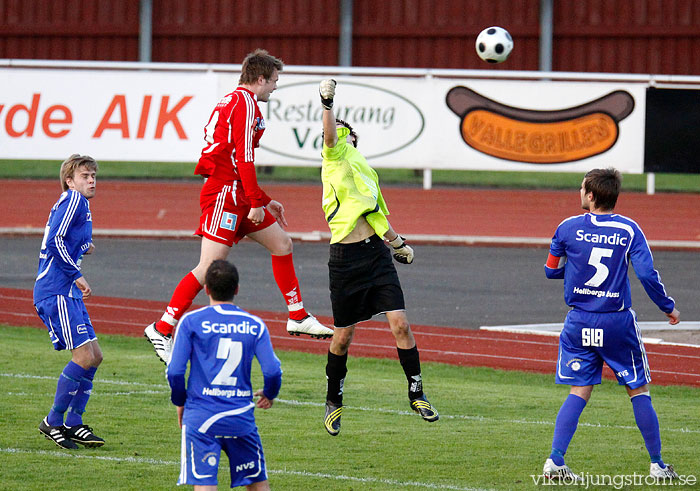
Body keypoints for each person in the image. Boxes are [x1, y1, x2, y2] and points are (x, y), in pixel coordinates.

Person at [145, 48, 333, 364]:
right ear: (259, 79)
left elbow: (235, 158)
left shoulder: (235, 101)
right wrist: (254, 201)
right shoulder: (244, 104)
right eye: (273, 80)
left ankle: (298, 315)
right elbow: (243, 157)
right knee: (208, 269)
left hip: (236, 193)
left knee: (282, 243)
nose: (275, 86)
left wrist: (262, 199)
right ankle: (162, 328)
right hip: (225, 196)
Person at [542, 168, 680, 482]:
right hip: (617, 321)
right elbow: (645, 275)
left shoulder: (566, 228)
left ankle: (555, 460)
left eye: (581, 189)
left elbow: (551, 271)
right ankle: (658, 465)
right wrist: (667, 306)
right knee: (637, 389)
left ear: (591, 195)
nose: (579, 193)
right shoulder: (629, 230)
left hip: (578, 322)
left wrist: (576, 270)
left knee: (580, 389)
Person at [317, 79, 438, 436]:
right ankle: (333, 399)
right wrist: (327, 104)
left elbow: (373, 213)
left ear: (354, 137)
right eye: (333, 127)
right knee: (343, 338)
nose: (336, 132)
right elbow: (327, 136)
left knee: (400, 324)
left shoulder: (363, 169)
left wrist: (397, 243)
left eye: (343, 129)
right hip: (344, 260)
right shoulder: (332, 155)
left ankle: (416, 392)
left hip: (375, 255)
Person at [167, 259, 282, 490]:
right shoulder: (255, 324)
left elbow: (175, 371)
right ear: (237, 289)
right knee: (258, 485)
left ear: (206, 289)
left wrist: (180, 402)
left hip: (201, 417)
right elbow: (272, 370)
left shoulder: (191, 321)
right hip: (240, 417)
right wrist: (270, 393)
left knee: (204, 484)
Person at [34, 154, 105, 449]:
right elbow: (55, 241)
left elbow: (61, 238)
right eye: (85, 176)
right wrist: (77, 273)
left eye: (93, 176)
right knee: (84, 357)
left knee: (95, 355)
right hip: (57, 289)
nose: (91, 181)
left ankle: (74, 423)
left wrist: (83, 246)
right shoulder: (74, 199)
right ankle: (53, 420)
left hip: (66, 291)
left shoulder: (77, 204)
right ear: (70, 180)